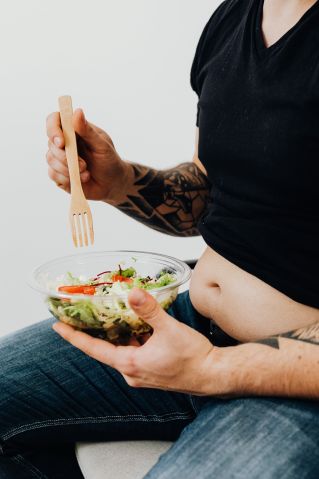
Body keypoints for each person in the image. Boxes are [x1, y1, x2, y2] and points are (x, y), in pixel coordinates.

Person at [1, 0, 319, 477]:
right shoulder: (236, 16)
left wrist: (213, 368)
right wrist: (120, 182)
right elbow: (215, 193)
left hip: (293, 376)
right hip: (186, 326)